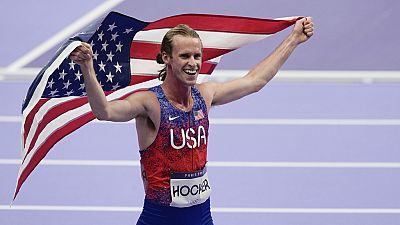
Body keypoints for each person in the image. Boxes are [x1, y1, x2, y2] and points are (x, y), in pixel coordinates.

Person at [69, 16, 314, 225]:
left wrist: (293, 40)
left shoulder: (205, 95)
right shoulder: (149, 103)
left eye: (197, 56)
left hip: (201, 216)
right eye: (184, 56)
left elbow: (255, 81)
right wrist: (88, 68)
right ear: (166, 58)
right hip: (159, 218)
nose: (193, 63)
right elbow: (105, 112)